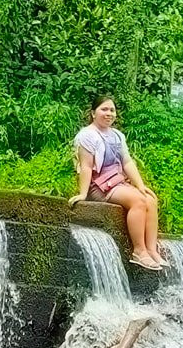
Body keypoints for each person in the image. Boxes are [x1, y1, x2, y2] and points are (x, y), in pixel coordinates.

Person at [70, 97, 167, 270]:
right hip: (99, 186)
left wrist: (140, 186)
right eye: (104, 109)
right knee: (138, 201)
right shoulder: (87, 136)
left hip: (117, 182)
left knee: (150, 199)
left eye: (112, 110)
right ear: (93, 113)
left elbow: (127, 162)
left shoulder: (117, 136)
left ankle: (152, 250)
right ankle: (139, 251)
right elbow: (86, 166)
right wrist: (83, 194)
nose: (109, 114)